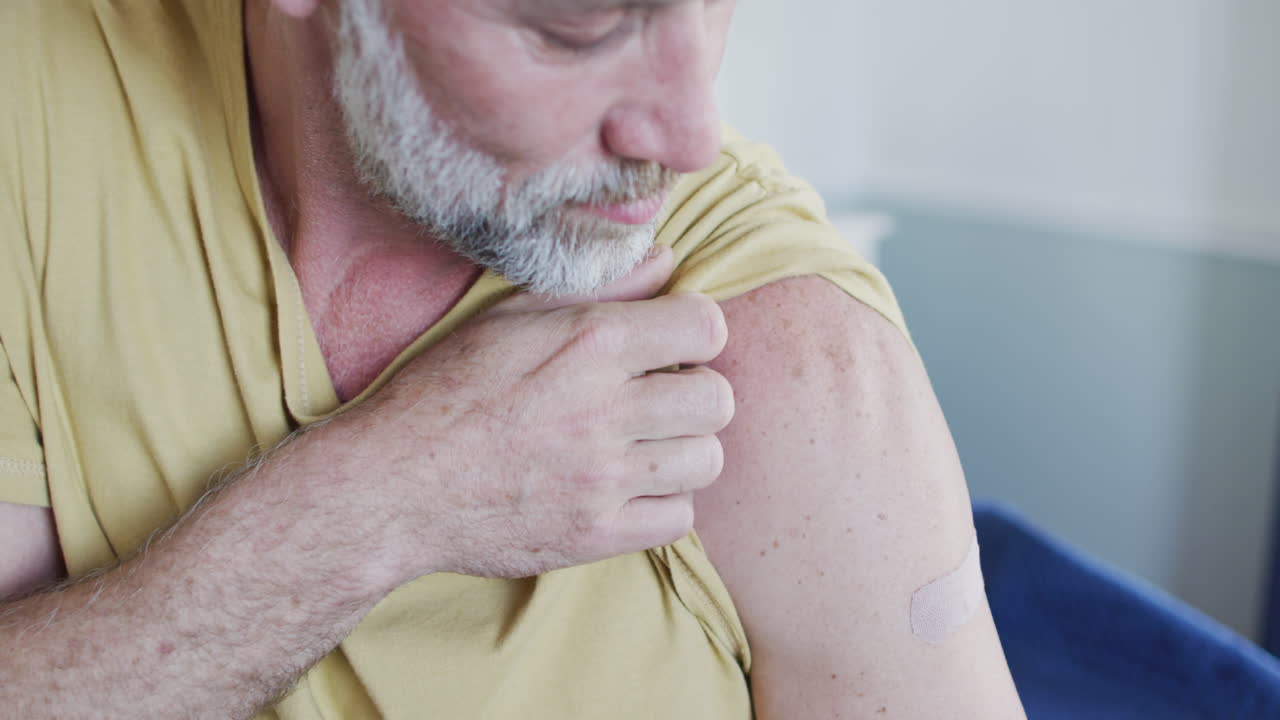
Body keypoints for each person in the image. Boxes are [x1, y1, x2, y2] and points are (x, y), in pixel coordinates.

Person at [0, 0, 1026, 717]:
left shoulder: (790, 360)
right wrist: (379, 503)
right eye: (574, 20)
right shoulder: (36, 104)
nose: (686, 134)